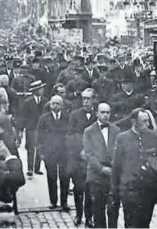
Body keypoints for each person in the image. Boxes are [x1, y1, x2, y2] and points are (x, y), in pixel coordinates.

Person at [110, 108, 157, 228]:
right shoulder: (122, 138)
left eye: (148, 121)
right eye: (144, 121)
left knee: (145, 223)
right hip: (129, 191)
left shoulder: (155, 136)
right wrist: (114, 191)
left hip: (148, 190)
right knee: (131, 224)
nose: (148, 124)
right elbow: (117, 166)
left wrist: (151, 167)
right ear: (133, 121)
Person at [83, 102, 120, 228]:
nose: (105, 115)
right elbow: (89, 154)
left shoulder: (116, 130)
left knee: (113, 210)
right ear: (97, 113)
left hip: (112, 176)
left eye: (108, 112)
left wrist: (114, 168)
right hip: (96, 176)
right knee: (98, 211)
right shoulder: (89, 131)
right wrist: (101, 168)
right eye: (102, 112)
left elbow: (118, 151)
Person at [67, 88, 97, 226]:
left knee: (91, 190)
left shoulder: (98, 115)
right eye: (83, 98)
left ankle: (89, 217)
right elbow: (71, 135)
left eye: (88, 98)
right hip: (78, 159)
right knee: (78, 188)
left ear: (93, 100)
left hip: (93, 159)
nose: (85, 101)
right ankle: (79, 215)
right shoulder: (75, 115)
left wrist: (90, 151)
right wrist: (80, 150)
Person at [36, 95, 70, 211]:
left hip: (64, 152)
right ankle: (53, 201)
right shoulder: (43, 119)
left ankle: (64, 202)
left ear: (62, 105)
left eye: (57, 103)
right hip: (49, 153)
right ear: (50, 105)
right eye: (53, 103)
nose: (55, 106)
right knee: (51, 178)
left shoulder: (67, 118)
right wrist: (41, 152)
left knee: (65, 178)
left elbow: (71, 134)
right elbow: (39, 137)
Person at [16, 80, 45, 177]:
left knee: (40, 147)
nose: (42, 90)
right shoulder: (27, 102)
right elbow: (22, 116)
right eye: (40, 89)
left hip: (41, 128)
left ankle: (37, 168)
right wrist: (20, 130)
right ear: (35, 90)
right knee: (31, 148)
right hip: (31, 128)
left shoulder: (45, 101)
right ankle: (30, 168)